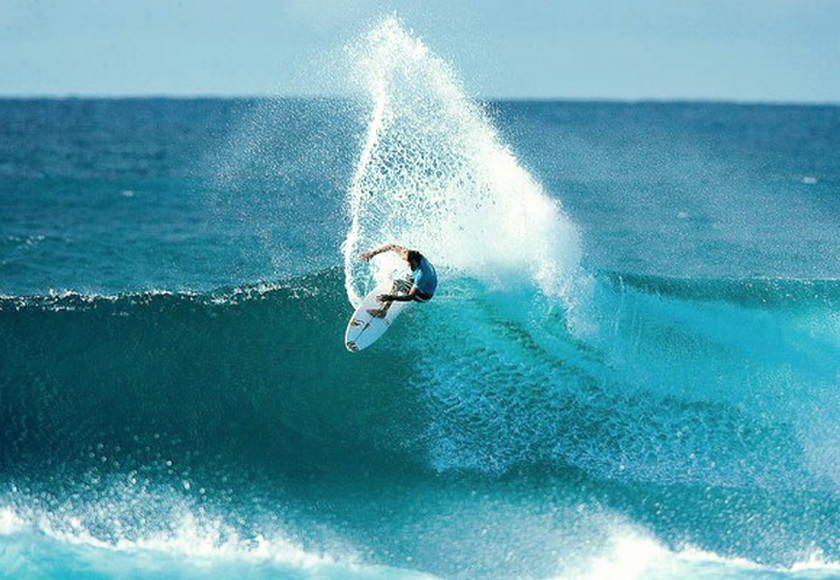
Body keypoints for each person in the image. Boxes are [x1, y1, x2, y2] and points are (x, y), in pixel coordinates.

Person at [359, 244, 437, 317]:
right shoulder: (414, 255)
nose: (404, 261)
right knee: (408, 278)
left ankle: (383, 311)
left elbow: (410, 297)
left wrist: (390, 297)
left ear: (412, 262)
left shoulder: (421, 276)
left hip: (425, 295)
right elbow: (392, 246)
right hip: (429, 279)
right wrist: (371, 254)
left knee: (398, 283)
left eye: (406, 261)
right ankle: (410, 286)